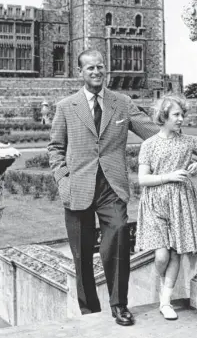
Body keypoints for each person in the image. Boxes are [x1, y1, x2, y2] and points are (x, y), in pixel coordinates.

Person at [47, 49, 158, 326]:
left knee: (119, 234)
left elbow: (155, 134)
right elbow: (55, 148)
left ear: (105, 69)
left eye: (100, 67)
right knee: (81, 254)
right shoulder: (66, 106)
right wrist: (63, 179)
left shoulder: (121, 102)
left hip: (111, 185)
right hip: (77, 187)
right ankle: (90, 312)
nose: (96, 72)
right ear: (80, 73)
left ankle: (119, 305)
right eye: (90, 69)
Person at [136, 95, 197, 320]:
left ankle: (165, 301)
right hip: (155, 203)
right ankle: (162, 284)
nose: (181, 119)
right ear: (164, 117)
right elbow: (142, 179)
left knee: (176, 253)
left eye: (182, 114)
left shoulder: (188, 142)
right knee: (161, 256)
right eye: (176, 115)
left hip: (181, 202)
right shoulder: (149, 145)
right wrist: (168, 176)